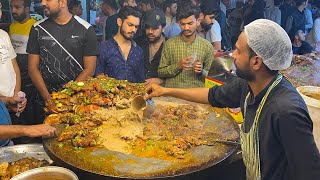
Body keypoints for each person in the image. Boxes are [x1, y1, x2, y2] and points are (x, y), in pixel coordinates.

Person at [145, 19, 320, 180]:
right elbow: (211, 95)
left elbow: (309, 173)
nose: (233, 55)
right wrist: (165, 91)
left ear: (256, 62)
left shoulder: (285, 111)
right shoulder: (247, 86)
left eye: (238, 51)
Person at [27, 0, 99, 124]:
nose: (43, 3)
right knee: (44, 140)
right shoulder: (37, 29)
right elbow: (33, 68)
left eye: (48, 0)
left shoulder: (86, 29)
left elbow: (90, 69)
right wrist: (48, 99)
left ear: (63, 2)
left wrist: (66, 98)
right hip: (43, 100)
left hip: (75, 102)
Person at [158, 4, 213, 88]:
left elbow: (212, 78)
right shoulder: (170, 44)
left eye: (190, 23)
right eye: (182, 24)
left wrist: (201, 71)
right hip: (172, 96)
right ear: (178, 23)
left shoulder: (207, 46)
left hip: (195, 97)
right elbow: (161, 72)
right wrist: (178, 66)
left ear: (198, 21)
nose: (186, 28)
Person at [9, 0, 38, 144]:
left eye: (17, 7)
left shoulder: (35, 26)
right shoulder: (12, 26)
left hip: (29, 80)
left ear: (27, 8)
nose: (14, 11)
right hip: (14, 81)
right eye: (12, 7)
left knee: (30, 113)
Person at [96, 6, 144, 83]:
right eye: (130, 25)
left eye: (136, 27)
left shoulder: (138, 51)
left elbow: (141, 81)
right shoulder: (104, 48)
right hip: (109, 94)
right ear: (119, 22)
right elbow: (98, 78)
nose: (133, 30)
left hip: (134, 94)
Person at [137, 9, 166, 85]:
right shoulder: (138, 43)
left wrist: (161, 81)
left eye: (154, 28)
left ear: (163, 28)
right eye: (147, 27)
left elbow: (177, 73)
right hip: (140, 90)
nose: (150, 31)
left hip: (162, 92)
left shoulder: (170, 46)